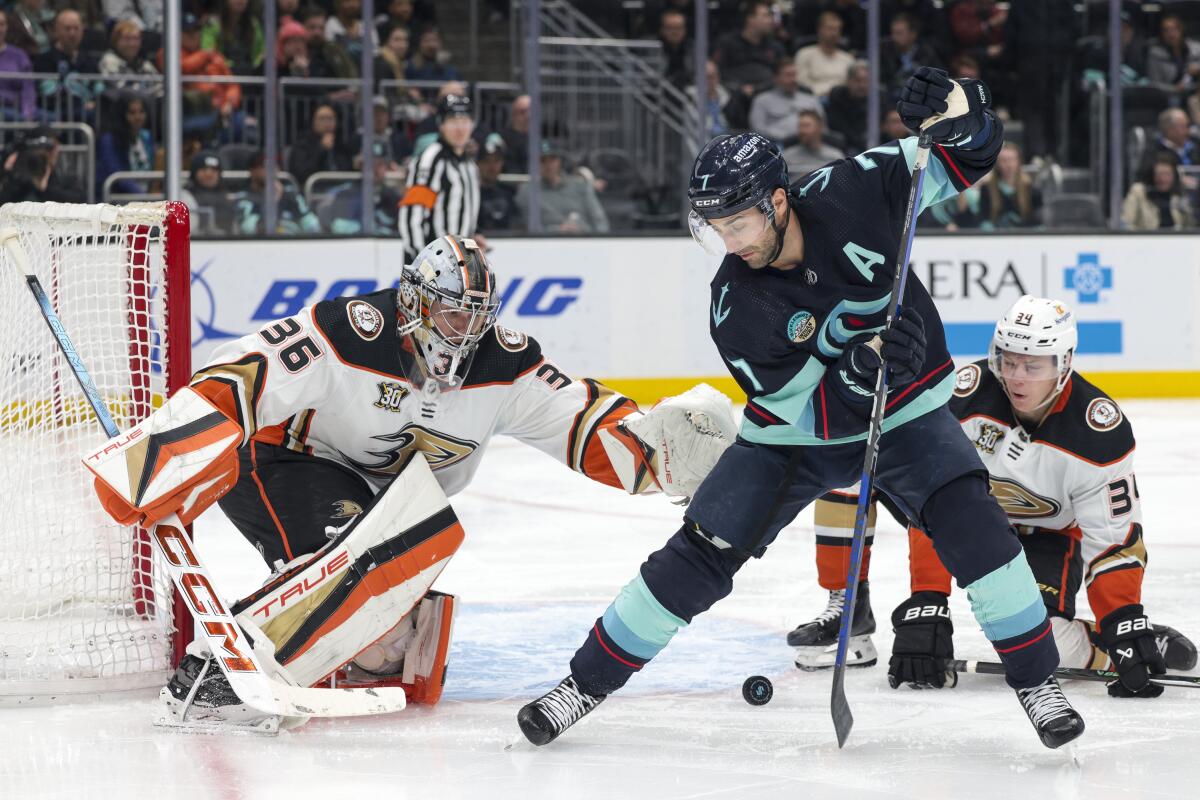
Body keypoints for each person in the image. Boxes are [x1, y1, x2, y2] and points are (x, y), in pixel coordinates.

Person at [518, 67, 1088, 751]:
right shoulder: (735, 305)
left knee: (977, 529)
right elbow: (809, 413)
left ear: (780, 200)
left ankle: (1035, 681)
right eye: (716, 228)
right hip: (788, 441)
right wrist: (858, 368)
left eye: (739, 222)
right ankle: (582, 684)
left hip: (905, 415)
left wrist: (965, 110)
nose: (731, 243)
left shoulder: (858, 188)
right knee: (700, 552)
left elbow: (967, 156)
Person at [83, 233, 732, 732]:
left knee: (388, 646)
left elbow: (587, 422)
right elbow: (244, 372)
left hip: (383, 500)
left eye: (477, 315)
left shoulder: (504, 362)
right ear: (417, 301)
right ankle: (218, 671)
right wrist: (169, 446)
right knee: (366, 558)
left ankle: (316, 620)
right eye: (453, 314)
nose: (465, 330)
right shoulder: (350, 330)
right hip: (284, 461)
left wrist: (672, 452)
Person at [790, 296, 1197, 697]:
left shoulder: (1097, 433)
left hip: (1047, 538)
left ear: (1064, 363)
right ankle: (849, 614)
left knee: (1045, 647)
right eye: (1008, 359)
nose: (1016, 376)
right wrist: (926, 602)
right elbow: (930, 497)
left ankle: (1104, 646)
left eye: (1033, 365)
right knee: (848, 468)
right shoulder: (962, 396)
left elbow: (1113, 540)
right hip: (964, 518)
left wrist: (1122, 619)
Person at [397, 93, 480, 259]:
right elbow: (412, 217)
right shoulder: (430, 160)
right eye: (453, 121)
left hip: (459, 264)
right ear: (441, 124)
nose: (460, 128)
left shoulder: (470, 165)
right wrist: (425, 262)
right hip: (432, 268)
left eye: (465, 121)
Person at [515, 140, 610, 234]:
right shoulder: (527, 192)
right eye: (543, 160)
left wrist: (597, 241)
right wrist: (557, 230)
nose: (548, 165)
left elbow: (600, 221)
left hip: (585, 241)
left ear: (559, 161)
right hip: (546, 244)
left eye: (552, 159)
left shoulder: (581, 186)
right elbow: (528, 228)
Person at [232, 152, 322, 235]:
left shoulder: (291, 195)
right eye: (266, 166)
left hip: (294, 244)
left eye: (274, 166)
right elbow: (251, 230)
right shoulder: (245, 199)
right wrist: (272, 202)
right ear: (252, 171)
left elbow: (312, 224)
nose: (272, 170)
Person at [712, 0, 786, 98]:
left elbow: (782, 74)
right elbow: (717, 71)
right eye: (765, 16)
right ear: (750, 19)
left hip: (769, 94)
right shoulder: (728, 43)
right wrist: (738, 88)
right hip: (733, 94)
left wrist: (758, 88)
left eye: (770, 16)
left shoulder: (775, 46)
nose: (770, 20)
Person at [748, 58, 824, 145]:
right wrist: (785, 138)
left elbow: (822, 126)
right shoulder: (761, 100)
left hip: (809, 145)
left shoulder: (811, 100)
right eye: (788, 75)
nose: (793, 79)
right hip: (777, 145)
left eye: (794, 75)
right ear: (775, 78)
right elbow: (758, 131)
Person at [96, 93, 154, 196]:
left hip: (147, 194)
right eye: (132, 113)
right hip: (119, 196)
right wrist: (144, 197)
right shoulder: (109, 140)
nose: (138, 117)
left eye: (141, 112)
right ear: (122, 115)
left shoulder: (147, 136)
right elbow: (117, 175)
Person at [287, 103, 355, 186]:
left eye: (330, 119)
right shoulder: (302, 144)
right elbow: (301, 173)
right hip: (314, 191)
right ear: (313, 122)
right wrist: (321, 149)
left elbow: (347, 170)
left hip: (341, 191)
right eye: (322, 119)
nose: (327, 123)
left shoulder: (340, 144)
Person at [978, 141, 1041, 229]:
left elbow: (1038, 221)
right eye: (1004, 160)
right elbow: (983, 219)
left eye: (1012, 159)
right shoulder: (987, 189)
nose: (1009, 165)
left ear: (1019, 161)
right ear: (997, 163)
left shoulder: (1031, 190)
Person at [793, 11, 855, 98]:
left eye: (837, 29)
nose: (834, 33)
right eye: (830, 29)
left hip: (841, 101)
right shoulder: (804, 54)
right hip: (813, 98)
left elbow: (851, 85)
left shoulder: (848, 59)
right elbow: (801, 82)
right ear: (819, 30)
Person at [1122, 156, 1194, 230]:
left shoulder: (1180, 193)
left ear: (1174, 176)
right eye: (1159, 174)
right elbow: (1126, 223)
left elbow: (1190, 225)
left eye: (1167, 174)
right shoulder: (1139, 192)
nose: (1162, 179)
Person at [98, 19, 161, 96]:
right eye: (127, 39)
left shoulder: (144, 64)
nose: (132, 44)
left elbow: (159, 86)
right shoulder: (109, 60)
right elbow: (121, 88)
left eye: (136, 39)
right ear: (116, 40)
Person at [202, 0, 266, 76]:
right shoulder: (212, 24)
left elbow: (261, 52)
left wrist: (256, 65)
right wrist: (228, 65)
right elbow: (208, 52)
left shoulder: (254, 24)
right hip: (222, 75)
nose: (240, 1)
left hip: (250, 74)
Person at [826, 61, 875, 154]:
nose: (862, 85)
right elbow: (839, 127)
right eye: (858, 80)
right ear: (848, 81)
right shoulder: (838, 97)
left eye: (866, 81)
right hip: (846, 145)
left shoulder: (878, 98)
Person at [1146, 13, 1200, 94]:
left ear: (1182, 30)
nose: (1171, 34)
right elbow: (1154, 84)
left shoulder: (1196, 49)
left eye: (1175, 29)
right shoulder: (1155, 54)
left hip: (1195, 94)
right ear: (1161, 34)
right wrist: (1175, 89)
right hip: (1167, 96)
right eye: (1166, 30)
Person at [782, 109, 844, 177]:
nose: (802, 131)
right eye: (800, 126)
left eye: (806, 126)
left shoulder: (835, 157)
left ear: (820, 128)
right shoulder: (787, 157)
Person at [184, 151, 234, 235]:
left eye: (214, 170)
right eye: (203, 169)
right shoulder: (185, 196)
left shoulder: (228, 197)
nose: (208, 174)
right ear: (194, 172)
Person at [477, 133, 516, 232]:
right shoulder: (471, 195)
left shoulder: (509, 193)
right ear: (478, 164)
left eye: (496, 161)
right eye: (486, 161)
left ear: (502, 163)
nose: (492, 166)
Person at [0, 14, 36, 122]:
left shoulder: (19, 55)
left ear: (7, 27)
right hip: (4, 111)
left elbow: (28, 87)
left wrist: (28, 112)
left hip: (17, 108)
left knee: (52, 119)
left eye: (1, 24)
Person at [658, 8, 692, 89]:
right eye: (670, 28)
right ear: (662, 30)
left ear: (685, 30)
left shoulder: (693, 48)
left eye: (678, 28)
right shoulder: (653, 49)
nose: (675, 32)